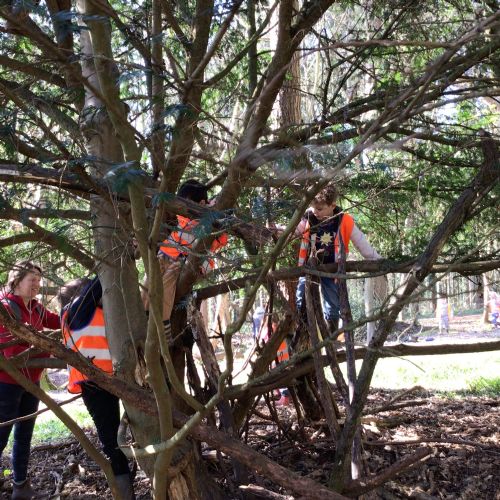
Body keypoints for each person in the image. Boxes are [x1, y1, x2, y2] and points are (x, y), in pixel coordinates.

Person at [59, 277, 135, 499]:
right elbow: (99, 282)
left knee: (119, 432)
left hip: (112, 379)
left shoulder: (93, 312)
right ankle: (124, 492)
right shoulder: (76, 310)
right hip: (94, 384)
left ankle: (126, 482)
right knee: (111, 438)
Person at [0, 261, 60, 500]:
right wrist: (47, 347)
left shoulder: (36, 308)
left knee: (24, 435)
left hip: (31, 382)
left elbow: (59, 322)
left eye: (39, 280)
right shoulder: (5, 308)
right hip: (7, 385)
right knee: (1, 436)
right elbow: (11, 354)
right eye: (32, 279)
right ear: (16, 281)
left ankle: (20, 487)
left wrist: (79, 309)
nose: (37, 284)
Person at [142, 179, 228, 341]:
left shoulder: (211, 221)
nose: (184, 207)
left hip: (187, 262)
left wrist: (212, 210)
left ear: (201, 203)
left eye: (188, 203)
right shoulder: (184, 216)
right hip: (168, 253)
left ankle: (163, 322)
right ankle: (144, 313)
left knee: (168, 279)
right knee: (151, 275)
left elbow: (221, 239)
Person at [295, 184, 385, 334]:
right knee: (301, 298)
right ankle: (304, 332)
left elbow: (361, 243)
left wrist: (378, 259)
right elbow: (295, 231)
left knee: (332, 305)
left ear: (332, 205)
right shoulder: (308, 216)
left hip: (332, 268)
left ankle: (331, 336)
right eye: (313, 207)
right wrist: (278, 231)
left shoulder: (344, 220)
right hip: (308, 267)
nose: (315, 211)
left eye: (320, 209)